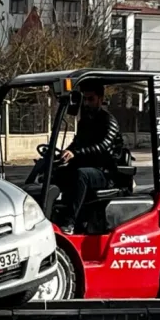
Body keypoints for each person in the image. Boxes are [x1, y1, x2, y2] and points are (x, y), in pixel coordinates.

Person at [54, 81, 123, 235]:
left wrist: (77, 153)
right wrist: (66, 152)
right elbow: (77, 142)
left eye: (90, 99)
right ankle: (57, 214)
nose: (86, 103)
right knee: (58, 173)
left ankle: (70, 222)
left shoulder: (108, 121)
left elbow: (103, 146)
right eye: (84, 99)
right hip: (86, 167)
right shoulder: (85, 121)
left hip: (104, 172)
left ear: (100, 99)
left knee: (81, 175)